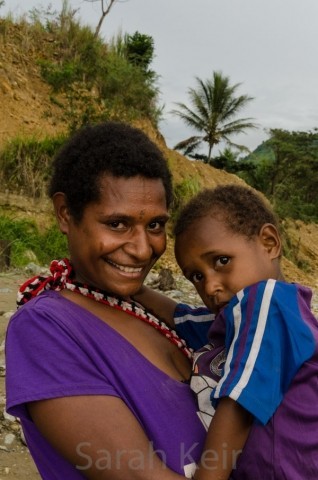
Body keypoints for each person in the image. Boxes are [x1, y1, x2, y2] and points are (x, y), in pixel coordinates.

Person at [5, 121, 214, 480]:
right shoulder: (46, 330)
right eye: (117, 224)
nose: (143, 248)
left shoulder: (150, 309)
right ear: (66, 214)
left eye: (155, 225)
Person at [171, 184, 318, 479]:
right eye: (197, 276)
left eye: (222, 261)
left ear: (269, 243)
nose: (210, 287)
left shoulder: (269, 302)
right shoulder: (238, 320)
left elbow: (239, 403)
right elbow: (179, 316)